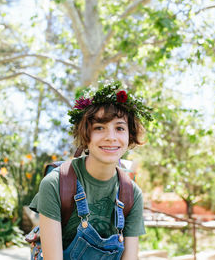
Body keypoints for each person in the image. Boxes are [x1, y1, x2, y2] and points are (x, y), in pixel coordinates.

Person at [29, 81, 153, 260]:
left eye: (119, 128)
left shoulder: (131, 194)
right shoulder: (56, 183)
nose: (110, 137)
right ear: (85, 136)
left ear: (130, 136)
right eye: (99, 128)